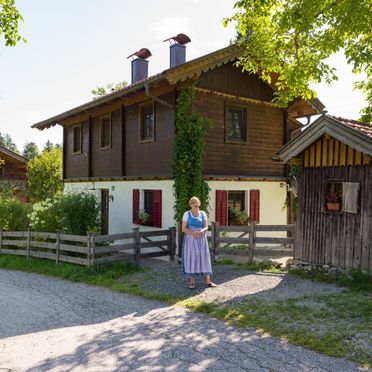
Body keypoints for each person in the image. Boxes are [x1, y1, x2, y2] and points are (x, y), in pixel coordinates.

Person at [182, 196, 217, 289]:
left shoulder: (203, 213)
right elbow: (183, 228)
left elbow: (206, 226)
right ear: (190, 205)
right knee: (191, 258)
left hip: (201, 238)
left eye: (196, 202)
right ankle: (192, 282)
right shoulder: (186, 214)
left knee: (204, 257)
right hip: (190, 239)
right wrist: (194, 233)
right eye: (193, 202)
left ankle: (208, 281)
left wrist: (201, 232)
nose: (195, 203)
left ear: (199, 203)